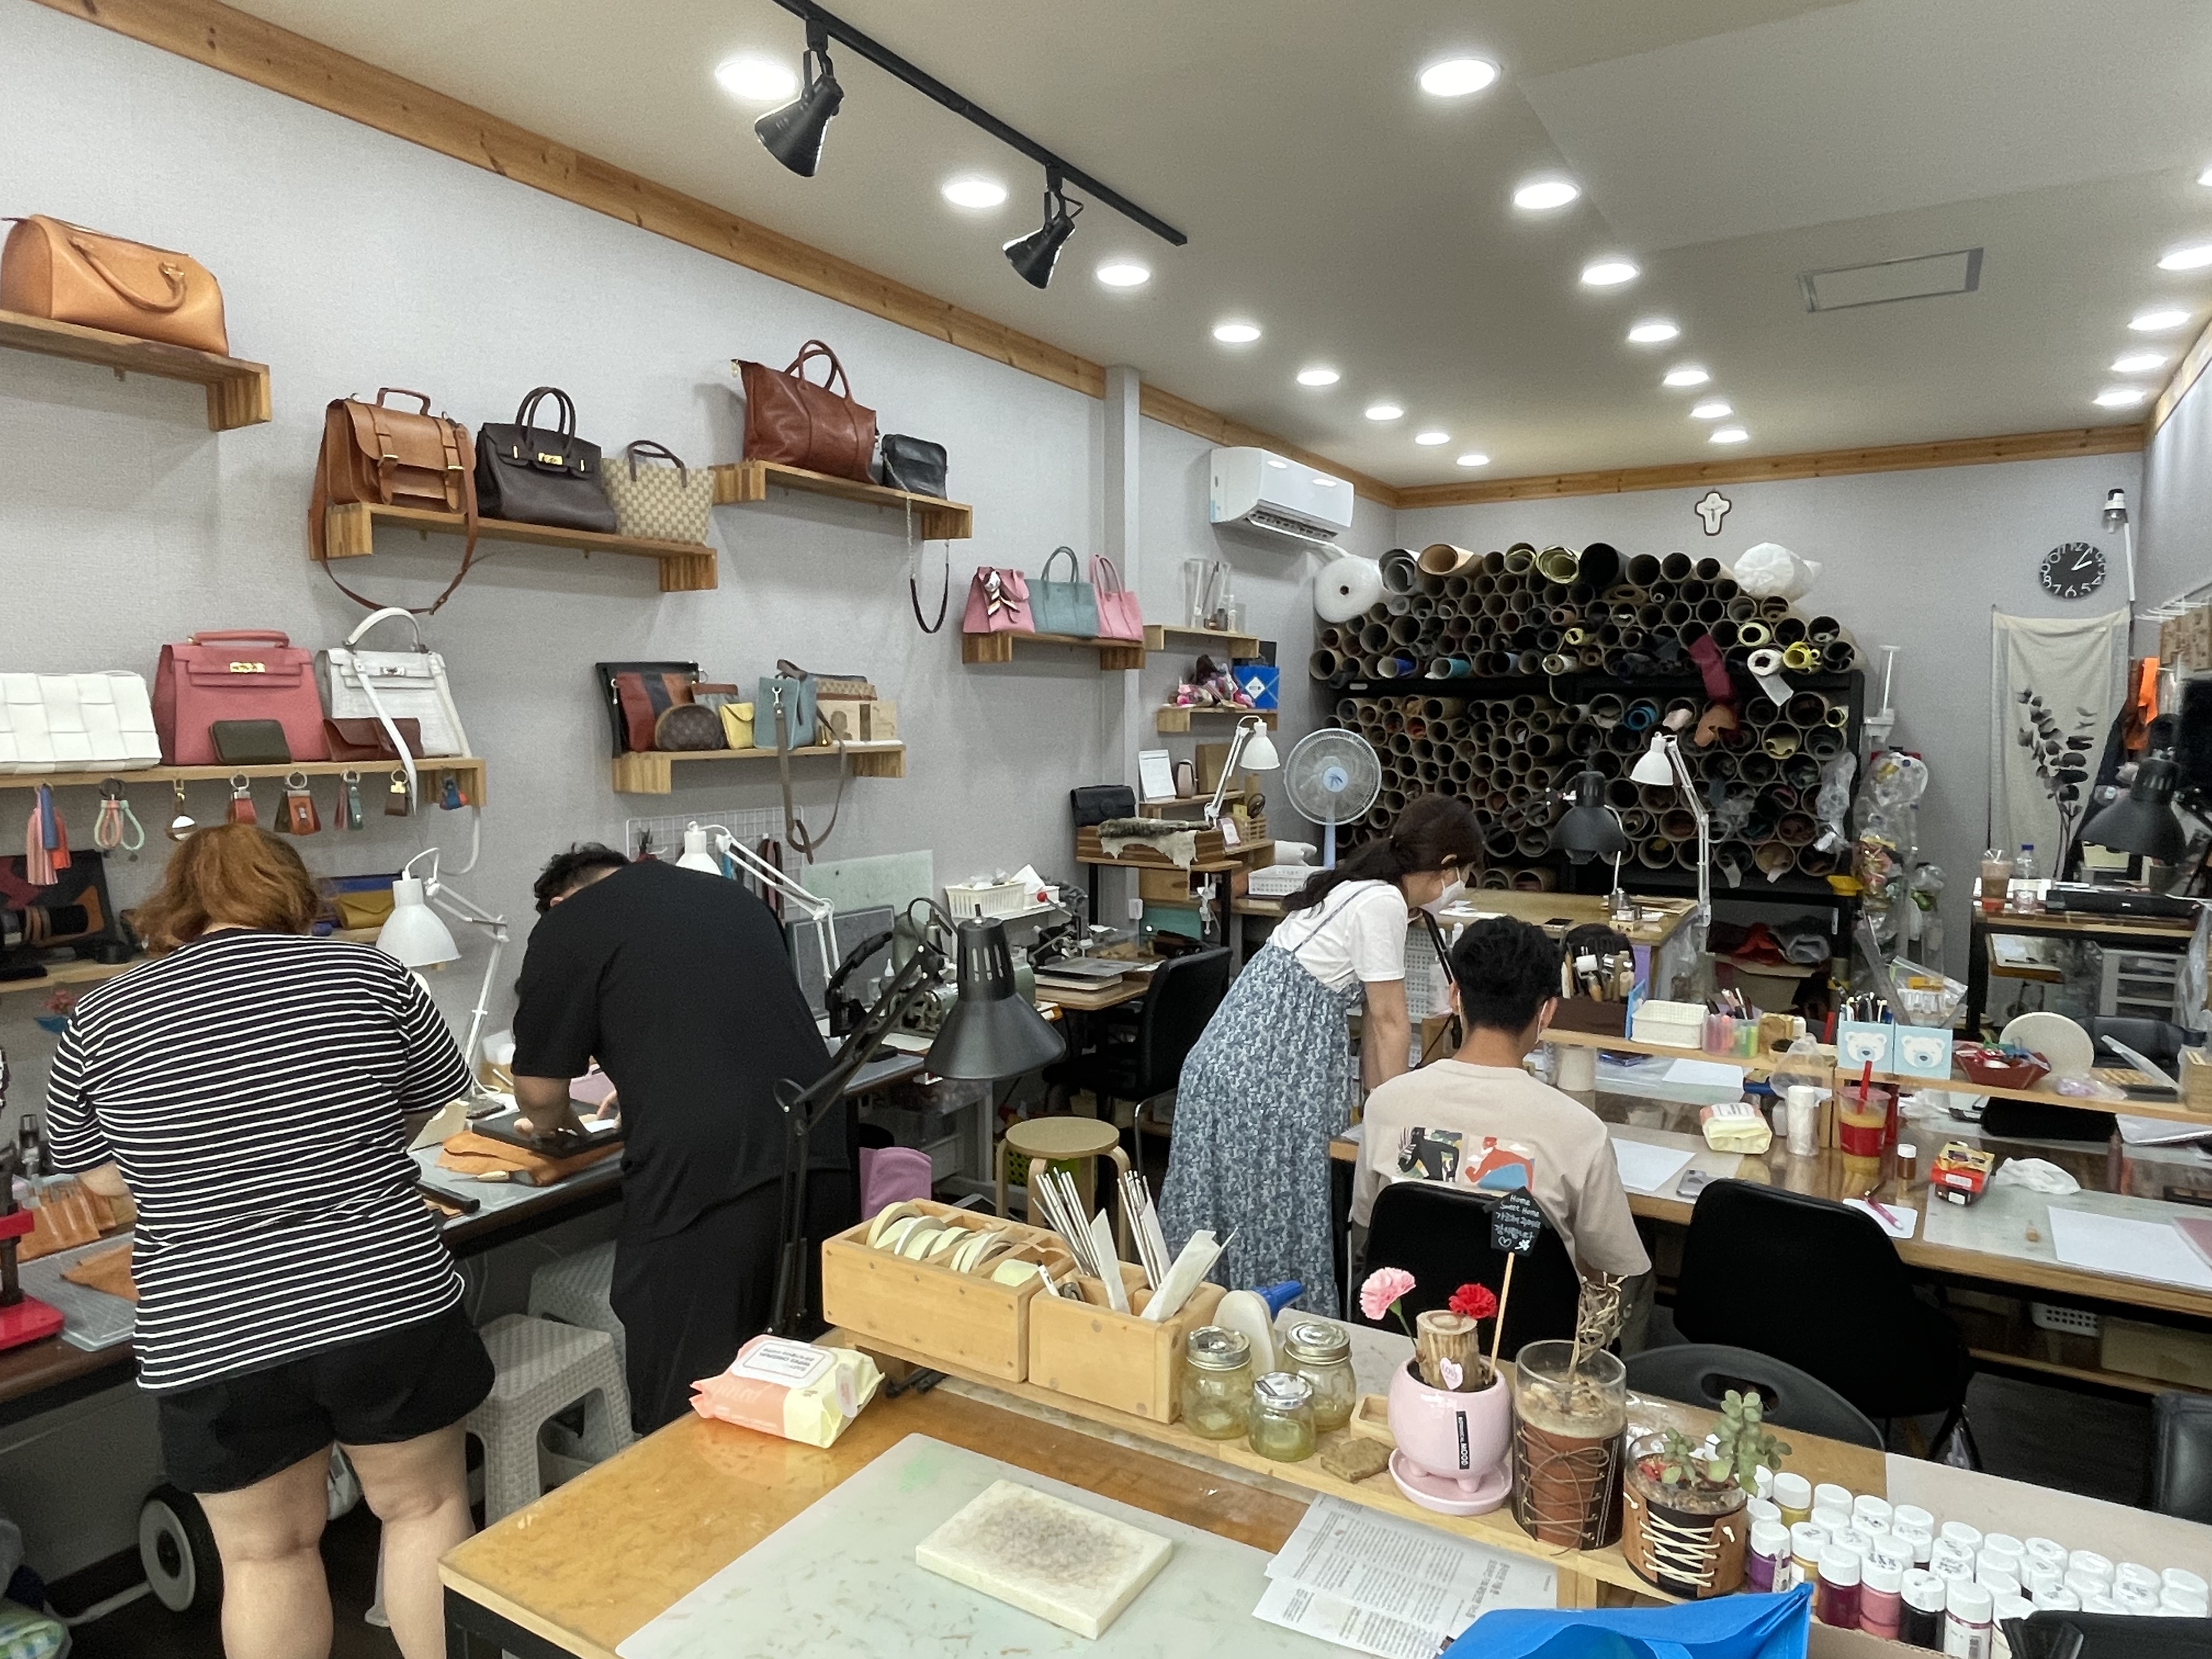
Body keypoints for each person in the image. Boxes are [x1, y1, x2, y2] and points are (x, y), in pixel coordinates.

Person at [44, 826, 488, 1659]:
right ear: (294, 893)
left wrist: (192, 1176)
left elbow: (97, 1177)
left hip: (214, 1325)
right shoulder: (373, 975)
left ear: (176, 901)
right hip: (382, 1293)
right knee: (424, 1510)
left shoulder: (101, 1014)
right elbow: (432, 1102)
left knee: (262, 1556)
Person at [509, 844, 850, 1431]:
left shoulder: (569, 924)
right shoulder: (732, 897)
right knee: (806, 1379)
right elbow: (713, 1019)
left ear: (559, 903)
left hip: (704, 1181)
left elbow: (540, 1096)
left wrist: (551, 1124)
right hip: (819, 1144)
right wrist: (647, 1088)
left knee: (694, 1400)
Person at [1159, 793, 1479, 1310]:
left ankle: (1214, 1329)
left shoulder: (1357, 888)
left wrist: (1379, 1107)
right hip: (1263, 1078)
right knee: (1273, 1218)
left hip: (1231, 1067)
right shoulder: (1382, 902)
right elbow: (1390, 1020)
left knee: (1223, 1230)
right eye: (1462, 873)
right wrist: (1399, 1128)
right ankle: (1272, 1332)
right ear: (1445, 866)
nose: (1461, 884)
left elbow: (1377, 1022)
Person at [1354, 916, 1651, 1288]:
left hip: (1407, 1317)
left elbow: (1367, 1230)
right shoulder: (1581, 1131)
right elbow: (1616, 1266)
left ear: (1455, 996)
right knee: (1636, 1284)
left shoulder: (1385, 1106)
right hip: (1526, 1325)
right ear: (1548, 1012)